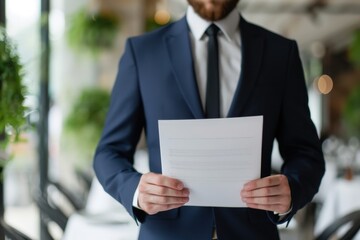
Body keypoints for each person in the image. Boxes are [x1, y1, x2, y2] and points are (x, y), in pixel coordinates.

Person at [93, 0, 325, 239]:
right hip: (168, 233)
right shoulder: (143, 52)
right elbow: (109, 152)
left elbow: (306, 152)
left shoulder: (279, 53)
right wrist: (135, 190)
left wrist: (292, 189)